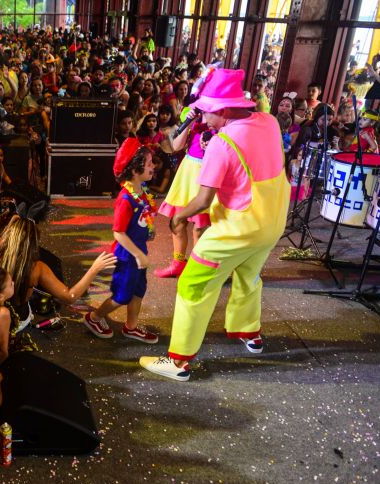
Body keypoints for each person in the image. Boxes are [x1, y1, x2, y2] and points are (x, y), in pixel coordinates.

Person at [140, 69, 290, 381]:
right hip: (272, 225)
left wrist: (178, 217)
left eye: (206, 112)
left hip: (238, 228)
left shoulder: (223, 143)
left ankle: (178, 362)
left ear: (222, 109)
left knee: (193, 285)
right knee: (249, 278)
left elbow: (202, 201)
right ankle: (249, 333)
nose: (203, 120)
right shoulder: (270, 122)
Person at [83, 138, 159, 343]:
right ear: (135, 170)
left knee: (138, 290)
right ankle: (95, 316)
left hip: (139, 250)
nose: (153, 166)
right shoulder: (126, 199)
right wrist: (137, 253)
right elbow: (118, 232)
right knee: (122, 295)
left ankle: (131, 327)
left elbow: (143, 218)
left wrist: (149, 231)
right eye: (149, 162)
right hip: (128, 255)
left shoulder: (143, 192)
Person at [154, 108, 212, 278]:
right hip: (187, 173)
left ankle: (198, 268)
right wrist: (189, 123)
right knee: (178, 222)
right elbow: (176, 146)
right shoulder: (193, 113)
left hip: (208, 174)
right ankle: (177, 264)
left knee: (200, 228)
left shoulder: (224, 119)